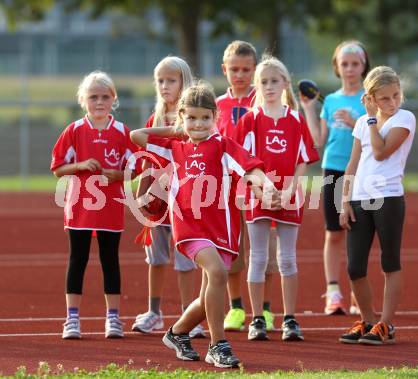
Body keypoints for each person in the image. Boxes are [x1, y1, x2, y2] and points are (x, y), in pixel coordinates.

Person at [130, 83, 280, 368]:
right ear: (182, 117)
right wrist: (175, 130)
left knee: (206, 296)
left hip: (221, 231)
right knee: (218, 272)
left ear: (215, 117)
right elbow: (136, 135)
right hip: (189, 228)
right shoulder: (175, 148)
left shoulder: (222, 146)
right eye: (192, 118)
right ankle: (217, 344)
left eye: (205, 118)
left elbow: (251, 169)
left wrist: (268, 185)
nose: (198, 124)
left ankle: (177, 333)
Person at [234, 56, 319, 341]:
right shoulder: (250, 119)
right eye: (264, 82)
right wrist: (260, 191)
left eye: (275, 81)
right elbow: (241, 162)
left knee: (288, 259)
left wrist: (289, 190)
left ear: (285, 83)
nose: (269, 86)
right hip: (258, 195)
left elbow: (303, 158)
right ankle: (257, 319)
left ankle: (290, 320)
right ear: (256, 86)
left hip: (288, 195)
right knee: (257, 258)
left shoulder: (295, 119)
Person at [51, 71, 138, 339]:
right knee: (77, 260)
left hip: (110, 208)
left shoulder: (123, 132)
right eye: (93, 97)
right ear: (83, 100)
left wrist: (117, 175)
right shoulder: (74, 131)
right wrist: (79, 166)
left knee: (110, 260)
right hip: (80, 209)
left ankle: (113, 318)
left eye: (104, 97)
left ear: (114, 99)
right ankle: (72, 319)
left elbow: (133, 169)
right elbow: (57, 168)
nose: (99, 102)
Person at [339, 66, 416, 345]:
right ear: (370, 97)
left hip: (389, 198)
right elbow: (352, 164)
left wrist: (373, 119)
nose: (393, 102)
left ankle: (386, 324)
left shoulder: (405, 118)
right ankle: (368, 320)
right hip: (359, 198)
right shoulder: (361, 123)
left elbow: (382, 152)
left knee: (389, 261)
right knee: (354, 267)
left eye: (396, 95)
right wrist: (343, 201)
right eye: (385, 98)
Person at [131, 56, 205, 339]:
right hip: (158, 202)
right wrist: (144, 189)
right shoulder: (155, 119)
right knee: (156, 258)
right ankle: (154, 312)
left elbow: (190, 160)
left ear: (184, 82)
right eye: (160, 80)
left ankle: (190, 315)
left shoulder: (194, 119)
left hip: (184, 200)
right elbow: (148, 158)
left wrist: (162, 182)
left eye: (170, 80)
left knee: (185, 260)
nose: (164, 85)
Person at [301, 40, 370, 315]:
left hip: (362, 171)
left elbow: (376, 139)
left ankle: (357, 292)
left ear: (365, 66)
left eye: (355, 63)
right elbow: (318, 139)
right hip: (332, 169)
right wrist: (308, 108)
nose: (350, 69)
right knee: (333, 233)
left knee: (359, 232)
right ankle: (333, 292)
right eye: (344, 64)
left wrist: (356, 124)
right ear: (336, 67)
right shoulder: (330, 100)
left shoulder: (370, 99)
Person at [217, 40, 278, 332]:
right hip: (227, 188)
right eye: (234, 69)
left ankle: (264, 309)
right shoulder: (216, 106)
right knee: (232, 251)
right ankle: (236, 307)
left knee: (263, 252)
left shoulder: (265, 102)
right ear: (224, 70)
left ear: (255, 71)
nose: (240, 75)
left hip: (259, 186)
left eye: (246, 70)